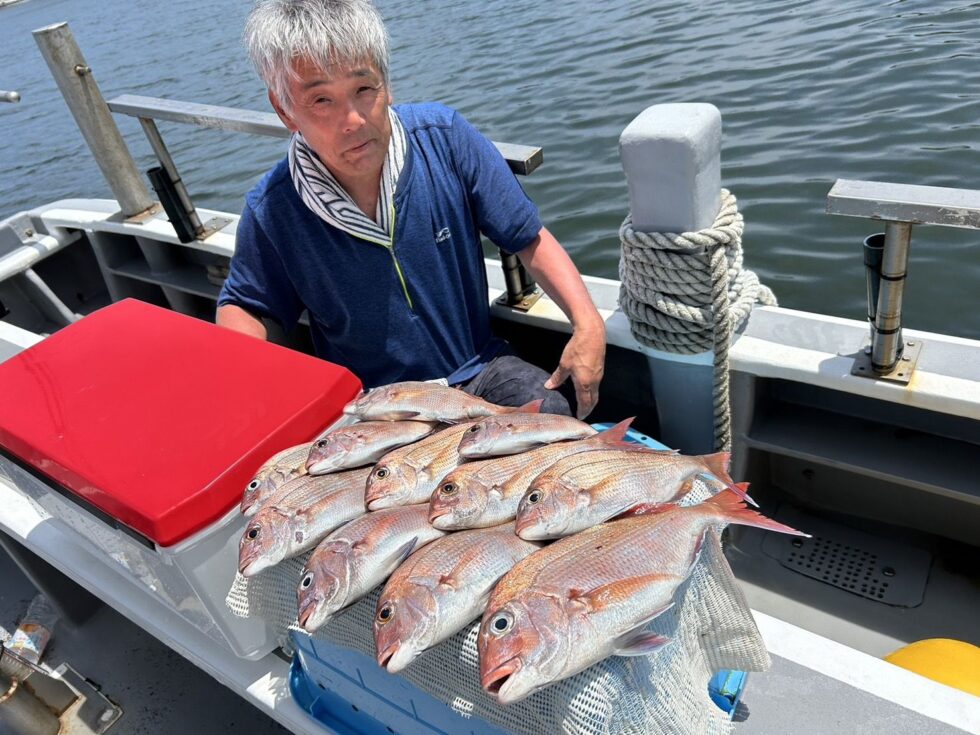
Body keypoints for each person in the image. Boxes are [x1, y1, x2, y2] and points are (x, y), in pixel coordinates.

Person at [217, 0, 605, 418]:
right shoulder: (273, 208)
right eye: (321, 101)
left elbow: (527, 236)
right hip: (370, 402)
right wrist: (249, 387)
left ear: (387, 83)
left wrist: (588, 323)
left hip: (477, 370)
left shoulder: (446, 138)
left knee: (550, 411)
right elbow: (248, 305)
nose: (353, 120)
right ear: (284, 110)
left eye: (364, 89)